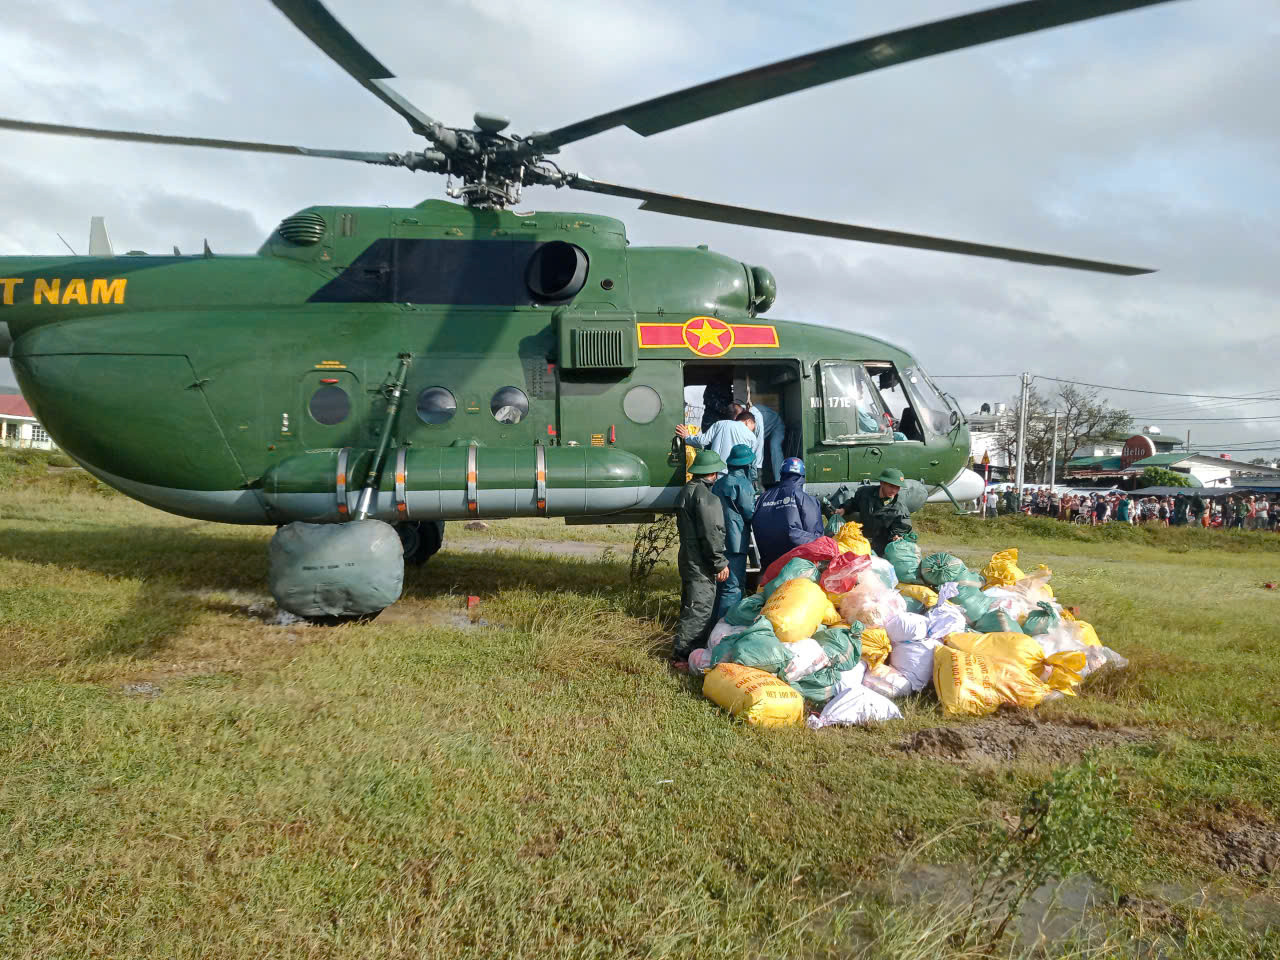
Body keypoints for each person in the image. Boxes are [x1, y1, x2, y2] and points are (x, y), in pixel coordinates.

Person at [672, 449, 729, 662]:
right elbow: (712, 533)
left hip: (687, 557)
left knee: (690, 604)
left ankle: (684, 651)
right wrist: (719, 563)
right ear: (713, 473)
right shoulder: (707, 497)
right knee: (700, 608)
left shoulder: (686, 491)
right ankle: (683, 656)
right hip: (701, 561)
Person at [753, 457, 824, 571]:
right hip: (797, 565)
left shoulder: (763, 498)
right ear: (802, 476)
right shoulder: (807, 500)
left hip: (769, 564)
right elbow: (814, 531)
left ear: (781, 474)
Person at [712, 444, 756, 619]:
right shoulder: (744, 485)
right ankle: (726, 626)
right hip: (736, 543)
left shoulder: (719, 483)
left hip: (718, 541)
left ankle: (713, 625)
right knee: (733, 587)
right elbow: (749, 512)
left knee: (720, 587)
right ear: (747, 465)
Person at [838, 467, 914, 556]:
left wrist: (897, 536)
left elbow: (902, 526)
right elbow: (854, 502)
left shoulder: (900, 507)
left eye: (897, 487)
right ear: (882, 483)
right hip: (861, 539)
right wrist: (844, 509)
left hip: (882, 545)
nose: (894, 490)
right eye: (891, 486)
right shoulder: (865, 492)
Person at [676, 411, 757, 477]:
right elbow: (751, 461)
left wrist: (687, 437)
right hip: (737, 475)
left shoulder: (721, 424)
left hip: (715, 472)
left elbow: (702, 441)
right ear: (748, 422)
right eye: (753, 427)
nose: (752, 430)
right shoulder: (752, 437)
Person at [730, 397, 784, 487]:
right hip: (764, 429)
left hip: (776, 426)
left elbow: (759, 445)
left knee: (775, 447)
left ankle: (780, 481)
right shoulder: (737, 416)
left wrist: (757, 471)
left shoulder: (756, 415)